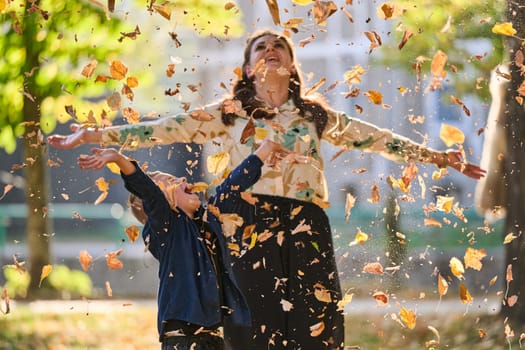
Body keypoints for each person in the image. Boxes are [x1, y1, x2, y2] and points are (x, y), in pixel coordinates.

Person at [50, 29, 485, 349]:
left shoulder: (314, 117)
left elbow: (374, 137)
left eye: (280, 46)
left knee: (317, 321)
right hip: (244, 224)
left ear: (293, 65)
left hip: (305, 222)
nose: (271, 50)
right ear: (247, 67)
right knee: (253, 323)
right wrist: (94, 137)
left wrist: (439, 157)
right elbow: (160, 129)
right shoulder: (227, 115)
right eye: (261, 46)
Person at [77, 139, 291, 349]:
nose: (181, 178)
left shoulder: (207, 222)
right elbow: (148, 191)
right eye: (170, 183)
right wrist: (118, 159)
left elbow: (232, 186)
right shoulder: (167, 228)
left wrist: (265, 150)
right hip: (182, 338)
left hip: (213, 336)